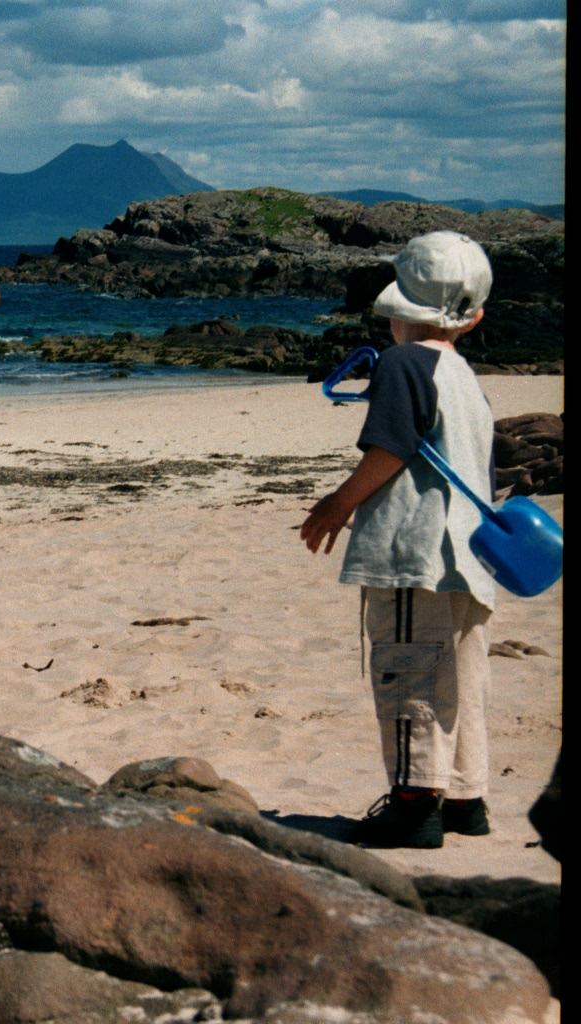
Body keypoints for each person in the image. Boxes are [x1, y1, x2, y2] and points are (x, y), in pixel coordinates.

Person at [299, 231, 498, 849]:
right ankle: (464, 795)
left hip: (418, 552)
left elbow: (391, 448)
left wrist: (338, 504)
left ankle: (415, 803)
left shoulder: (405, 363)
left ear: (397, 311)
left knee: (410, 668)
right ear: (476, 316)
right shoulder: (463, 373)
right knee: (461, 676)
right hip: (472, 554)